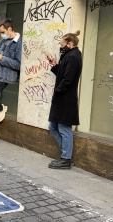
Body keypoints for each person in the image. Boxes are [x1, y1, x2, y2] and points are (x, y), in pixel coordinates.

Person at [45, 31, 82, 169]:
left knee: (64, 128)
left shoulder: (73, 57)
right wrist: (54, 65)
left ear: (70, 44)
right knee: (53, 126)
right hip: (61, 98)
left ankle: (66, 158)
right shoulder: (69, 55)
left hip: (66, 99)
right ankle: (65, 155)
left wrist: (57, 90)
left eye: (62, 44)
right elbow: (62, 74)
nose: (61, 47)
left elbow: (67, 80)